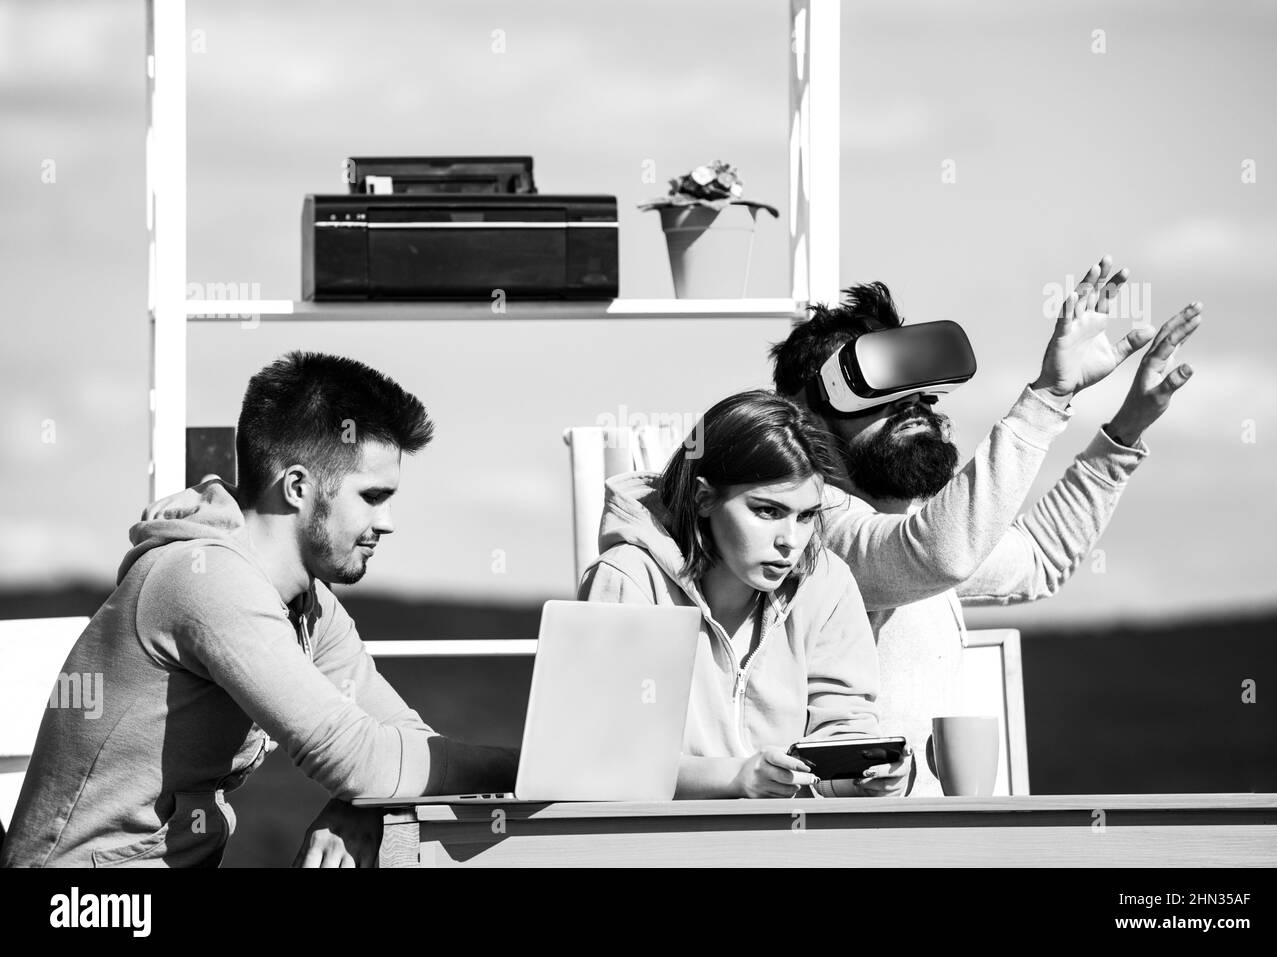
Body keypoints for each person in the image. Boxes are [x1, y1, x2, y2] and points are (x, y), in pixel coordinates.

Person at [0, 352, 517, 868]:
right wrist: (526, 770)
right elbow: (359, 759)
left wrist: (362, 806)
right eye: (373, 496)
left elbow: (397, 744)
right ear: (297, 488)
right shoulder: (206, 580)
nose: (388, 522)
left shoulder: (310, 608)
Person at [768, 256, 1203, 794]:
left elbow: (1039, 558)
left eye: (920, 392)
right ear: (806, 418)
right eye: (878, 395)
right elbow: (937, 554)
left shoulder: (907, 529)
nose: (914, 408)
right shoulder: (814, 533)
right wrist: (1047, 396)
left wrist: (1126, 427)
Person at [578, 390, 912, 799]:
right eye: (767, 511)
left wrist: (862, 774)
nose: (791, 541)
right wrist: (734, 779)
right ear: (703, 498)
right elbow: (600, 757)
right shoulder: (629, 578)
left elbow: (842, 727)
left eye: (806, 516)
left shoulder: (827, 581)